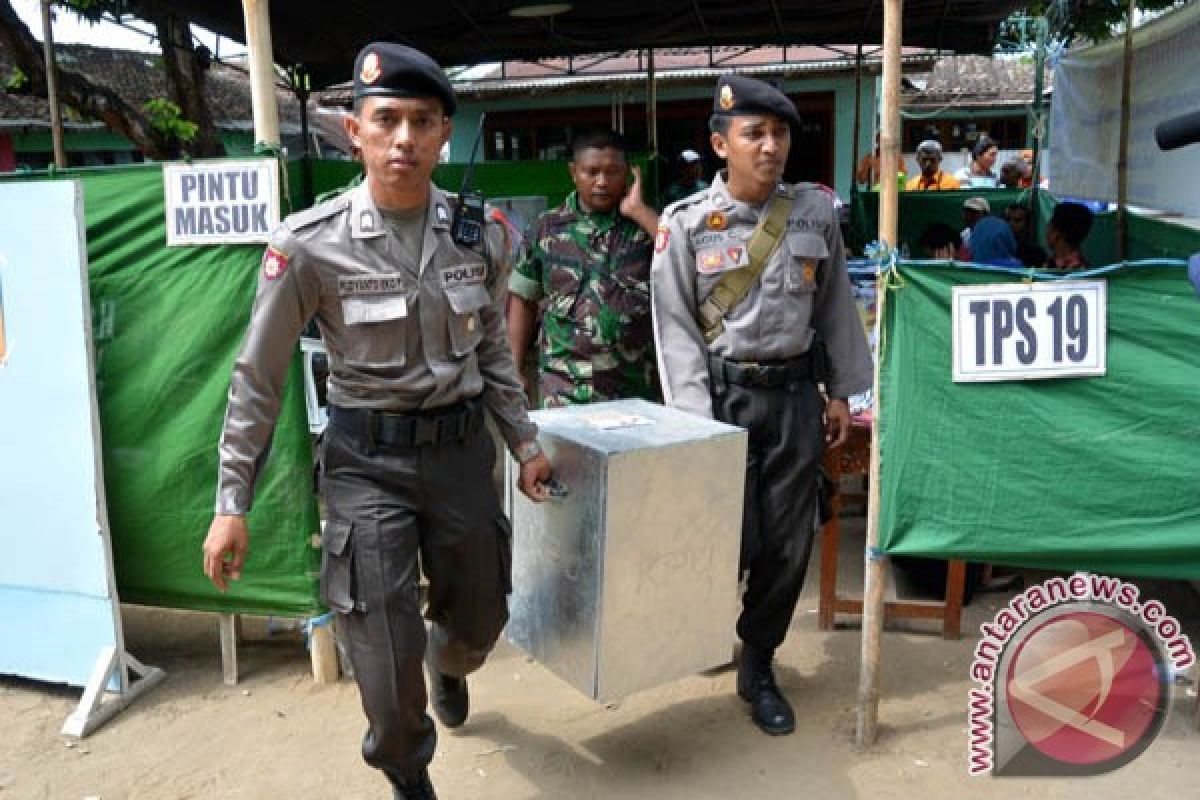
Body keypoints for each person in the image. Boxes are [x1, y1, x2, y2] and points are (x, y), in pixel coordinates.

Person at [201, 43, 552, 800]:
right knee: (382, 668)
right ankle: (407, 770)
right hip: (366, 466)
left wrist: (524, 442)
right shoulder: (307, 245)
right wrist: (232, 504)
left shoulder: (478, 232)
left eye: (422, 121)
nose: (404, 138)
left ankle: (448, 661)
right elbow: (257, 381)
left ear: (443, 134)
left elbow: (491, 345)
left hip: (462, 456)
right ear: (353, 132)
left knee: (480, 625)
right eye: (385, 119)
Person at [651, 74, 873, 737]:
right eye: (755, 134)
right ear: (722, 144)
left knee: (788, 540)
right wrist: (694, 428)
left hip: (795, 401)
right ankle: (712, 635)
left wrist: (840, 392)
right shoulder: (686, 224)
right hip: (721, 400)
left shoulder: (813, 214)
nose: (770, 145)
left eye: (779, 133)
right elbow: (675, 329)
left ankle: (760, 661)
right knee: (727, 536)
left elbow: (834, 308)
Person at [507, 129, 661, 407]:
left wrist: (639, 211)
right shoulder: (546, 228)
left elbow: (681, 259)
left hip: (633, 389)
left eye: (612, 172)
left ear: (627, 172)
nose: (602, 182)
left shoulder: (645, 228)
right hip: (564, 388)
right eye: (591, 172)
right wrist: (514, 369)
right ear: (573, 172)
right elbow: (523, 299)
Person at [1045, 201, 1094, 271]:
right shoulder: (1087, 271)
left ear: (1056, 234)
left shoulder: (1077, 272)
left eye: (1050, 224)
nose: (1046, 228)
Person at [1004, 203, 1047, 267]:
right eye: (1007, 220)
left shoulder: (1037, 254)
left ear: (1027, 225)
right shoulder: (998, 250)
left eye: (1017, 220)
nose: (1011, 224)